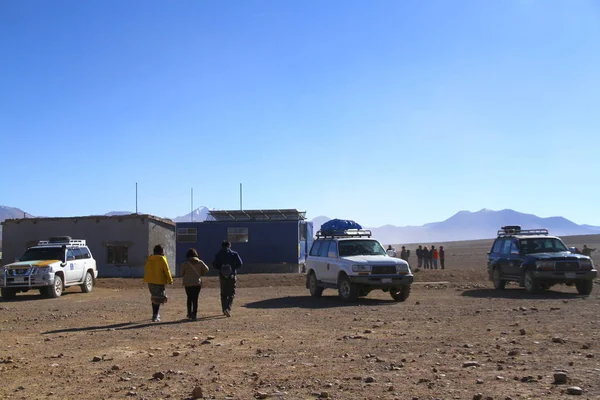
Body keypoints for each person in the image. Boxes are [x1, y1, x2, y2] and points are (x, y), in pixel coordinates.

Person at [143, 244, 174, 322]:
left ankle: (155, 314)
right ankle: (155, 315)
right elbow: (167, 270)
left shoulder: (150, 258)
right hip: (159, 281)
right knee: (159, 298)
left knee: (154, 297)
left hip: (150, 280)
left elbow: (146, 268)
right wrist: (170, 280)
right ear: (161, 251)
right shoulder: (162, 259)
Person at [213, 240, 243, 317]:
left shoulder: (218, 254)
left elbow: (214, 264)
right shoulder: (234, 254)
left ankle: (224, 308)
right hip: (232, 275)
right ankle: (228, 308)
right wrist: (233, 269)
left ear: (222, 245)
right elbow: (240, 263)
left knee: (223, 293)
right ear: (229, 245)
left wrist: (221, 268)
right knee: (231, 293)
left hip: (222, 276)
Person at [180, 248, 209, 321]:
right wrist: (201, 273)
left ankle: (189, 313)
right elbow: (207, 269)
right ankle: (194, 314)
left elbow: (181, 273)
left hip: (188, 283)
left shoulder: (185, 263)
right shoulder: (200, 262)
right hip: (197, 283)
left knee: (189, 298)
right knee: (195, 299)